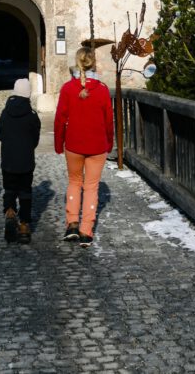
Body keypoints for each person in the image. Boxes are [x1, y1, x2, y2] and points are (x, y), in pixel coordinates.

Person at [54, 47, 113, 247]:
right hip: (97, 145)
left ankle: (71, 223)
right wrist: (109, 141)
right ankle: (86, 230)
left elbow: (60, 118)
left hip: (74, 143)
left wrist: (58, 142)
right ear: (93, 62)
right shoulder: (103, 89)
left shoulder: (68, 88)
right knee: (91, 187)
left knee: (74, 182)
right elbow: (108, 120)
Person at [0, 78, 41, 244]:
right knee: (25, 192)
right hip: (26, 161)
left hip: (8, 160)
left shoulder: (5, 113)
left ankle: (9, 212)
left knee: (9, 189)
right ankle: (24, 225)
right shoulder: (31, 115)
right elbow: (35, 137)